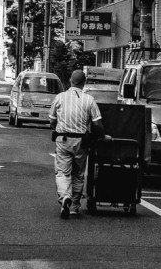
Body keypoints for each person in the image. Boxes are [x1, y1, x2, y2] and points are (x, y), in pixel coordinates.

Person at [49, 69, 108, 219]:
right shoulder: (89, 100)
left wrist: (57, 127)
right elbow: (98, 124)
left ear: (70, 80)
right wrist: (102, 136)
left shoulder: (60, 98)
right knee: (78, 174)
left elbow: (52, 120)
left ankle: (64, 197)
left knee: (63, 172)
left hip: (62, 140)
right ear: (84, 82)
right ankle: (74, 206)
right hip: (81, 141)